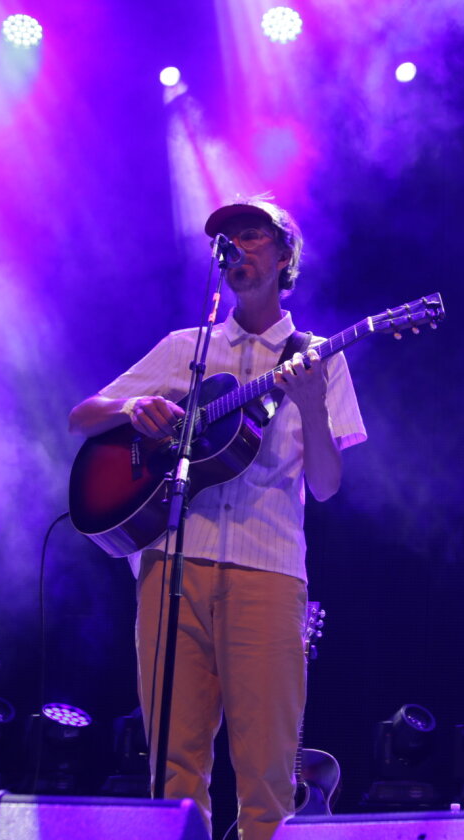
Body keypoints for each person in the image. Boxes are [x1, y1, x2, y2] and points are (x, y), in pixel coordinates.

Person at [68, 196, 366, 840]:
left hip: (268, 571)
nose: (237, 246)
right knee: (172, 774)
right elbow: (84, 415)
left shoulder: (320, 355)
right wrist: (139, 406)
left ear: (285, 255)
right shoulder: (187, 349)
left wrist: (312, 404)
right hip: (173, 564)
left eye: (253, 234)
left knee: (266, 778)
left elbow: (327, 484)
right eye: (228, 238)